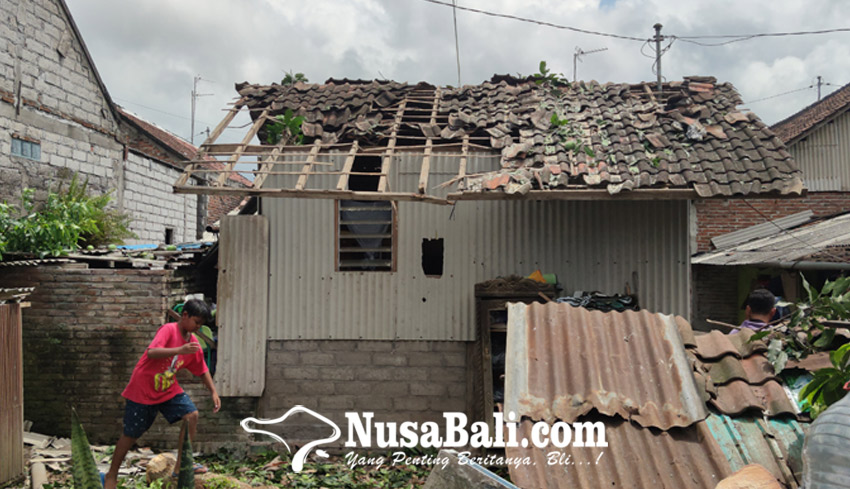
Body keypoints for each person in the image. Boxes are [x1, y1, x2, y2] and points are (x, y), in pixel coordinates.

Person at [104, 300, 221, 489]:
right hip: (142, 388)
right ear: (185, 316)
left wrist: (214, 391)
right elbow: (152, 353)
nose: (198, 327)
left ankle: (182, 465)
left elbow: (201, 369)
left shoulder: (192, 343)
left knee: (192, 415)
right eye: (196, 322)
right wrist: (179, 350)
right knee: (131, 434)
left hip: (167, 389)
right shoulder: (168, 330)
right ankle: (111, 475)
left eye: (201, 324)